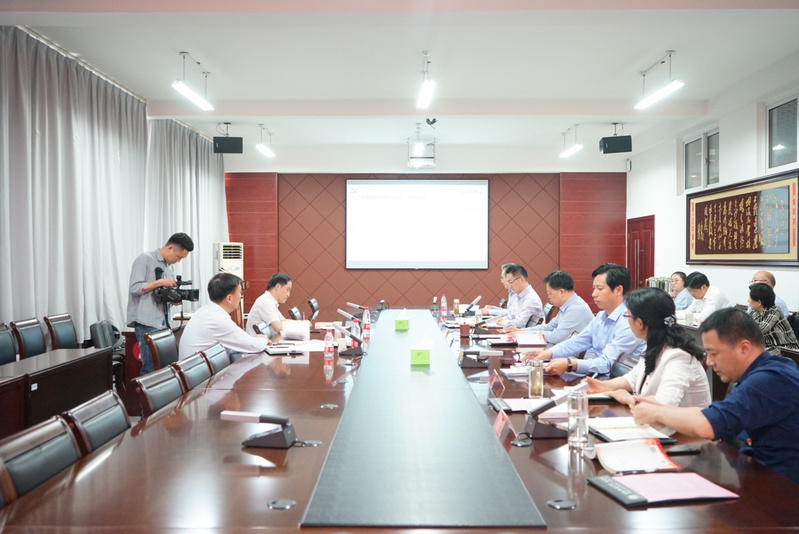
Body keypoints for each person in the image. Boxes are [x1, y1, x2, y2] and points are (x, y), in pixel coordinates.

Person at [632, 308, 799, 484]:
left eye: (713, 353)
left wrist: (657, 413)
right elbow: (710, 413)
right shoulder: (766, 370)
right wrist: (660, 408)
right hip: (756, 473)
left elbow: (707, 425)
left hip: (781, 487)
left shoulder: (769, 379)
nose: (709, 362)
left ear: (744, 348)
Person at [584, 287, 711, 417]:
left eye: (627, 316)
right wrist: (603, 386)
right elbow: (634, 377)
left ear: (639, 323)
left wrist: (628, 398)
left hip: (682, 428)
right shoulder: (655, 344)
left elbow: (665, 404)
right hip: (658, 422)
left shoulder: (679, 357)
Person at [524, 263, 645, 376]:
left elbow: (607, 363)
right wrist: (548, 353)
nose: (594, 294)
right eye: (594, 288)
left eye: (599, 289)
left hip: (617, 383)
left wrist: (571, 364)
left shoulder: (629, 321)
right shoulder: (601, 316)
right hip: (598, 376)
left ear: (618, 290)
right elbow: (578, 341)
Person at [127, 232, 194, 375]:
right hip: (146, 321)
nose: (178, 261)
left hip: (163, 322)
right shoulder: (145, 259)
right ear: (170, 248)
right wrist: (159, 282)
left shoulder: (169, 266)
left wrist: (173, 298)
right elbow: (134, 288)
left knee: (163, 368)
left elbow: (162, 292)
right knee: (151, 368)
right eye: (179, 257)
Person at [179, 272, 270, 359]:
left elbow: (240, 342)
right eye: (240, 293)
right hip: (200, 369)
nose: (241, 297)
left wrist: (254, 340)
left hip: (196, 366)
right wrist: (264, 339)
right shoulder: (218, 319)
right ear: (229, 298)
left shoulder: (205, 311)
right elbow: (254, 346)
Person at [506, 270, 593, 347]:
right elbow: (549, 327)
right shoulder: (567, 305)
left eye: (549, 293)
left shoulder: (575, 309)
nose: (548, 297)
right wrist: (522, 331)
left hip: (578, 357)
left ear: (562, 292)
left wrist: (524, 334)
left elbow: (556, 337)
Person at [747, 283, 799, 356]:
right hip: (767, 346)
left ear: (759, 302)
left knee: (755, 356)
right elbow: (745, 324)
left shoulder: (775, 310)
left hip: (785, 348)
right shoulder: (754, 311)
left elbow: (762, 328)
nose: (748, 300)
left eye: (750, 298)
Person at [495, 264, 544, 330]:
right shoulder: (520, 296)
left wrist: (504, 322)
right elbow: (513, 315)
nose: (510, 286)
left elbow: (520, 323)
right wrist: (503, 319)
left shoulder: (531, 299)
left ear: (521, 279)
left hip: (527, 334)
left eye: (510, 282)